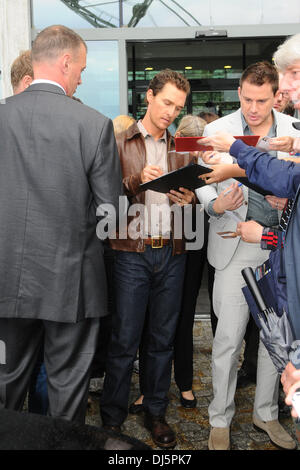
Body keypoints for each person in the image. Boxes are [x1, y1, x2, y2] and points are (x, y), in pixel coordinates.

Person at [0, 25, 123, 423]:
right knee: (67, 387)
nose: (82, 78)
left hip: (6, 279)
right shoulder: (93, 124)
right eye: (82, 69)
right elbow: (110, 212)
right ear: (66, 61)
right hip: (72, 284)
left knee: (5, 380)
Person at [200, 33, 300, 433]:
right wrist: (215, 204)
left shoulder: (294, 129)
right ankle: (219, 421)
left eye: (263, 101)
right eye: (247, 100)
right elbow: (203, 177)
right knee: (227, 340)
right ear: (238, 92)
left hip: (279, 249)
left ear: (276, 96)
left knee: (276, 343)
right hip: (234, 245)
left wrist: (288, 203)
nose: (254, 109)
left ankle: (266, 415)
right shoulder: (221, 128)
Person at [100, 69, 196, 448]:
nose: (171, 112)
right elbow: (105, 200)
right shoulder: (119, 143)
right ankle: (112, 419)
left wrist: (189, 202)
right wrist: (135, 181)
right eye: (167, 102)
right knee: (123, 340)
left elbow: (189, 205)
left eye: (178, 106)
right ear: (150, 97)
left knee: (162, 339)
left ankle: (156, 413)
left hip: (171, 253)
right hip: (130, 256)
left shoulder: (180, 148)